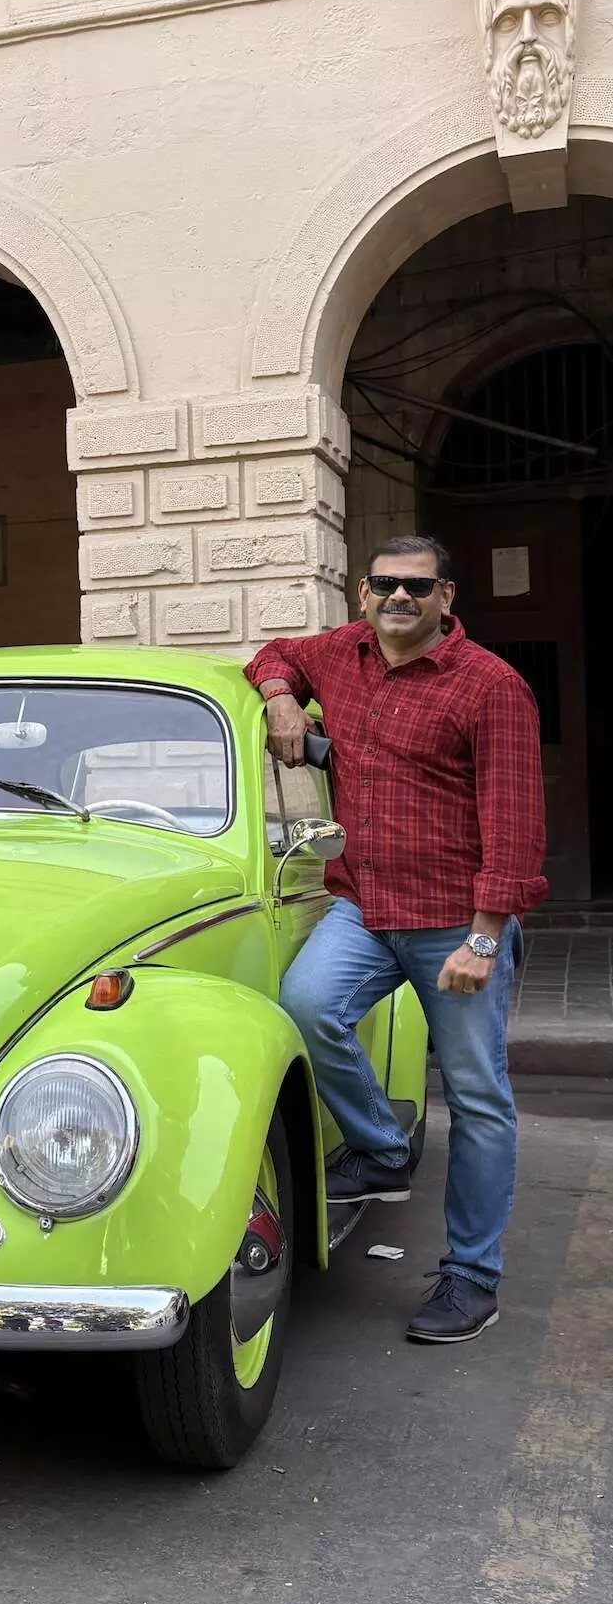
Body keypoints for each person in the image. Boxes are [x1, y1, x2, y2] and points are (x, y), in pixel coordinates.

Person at [245, 535, 547, 1345]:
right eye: (384, 585)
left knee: (478, 1101)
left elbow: (514, 827)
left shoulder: (491, 687)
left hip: (455, 917)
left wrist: (482, 941)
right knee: (304, 1007)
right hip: (362, 906)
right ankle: (382, 1146)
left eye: (417, 587)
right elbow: (272, 653)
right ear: (361, 591)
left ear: (447, 597)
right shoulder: (340, 655)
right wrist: (280, 696)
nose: (398, 599)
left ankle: (472, 1277)